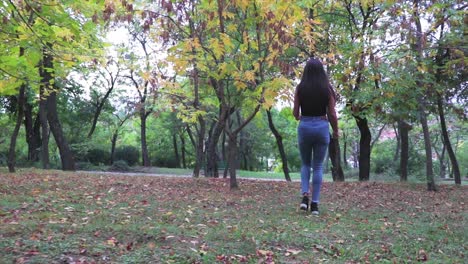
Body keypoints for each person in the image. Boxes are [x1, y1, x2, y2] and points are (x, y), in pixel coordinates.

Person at [293, 58, 339, 215]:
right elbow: (332, 113)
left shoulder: (300, 88)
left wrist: (303, 118)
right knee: (318, 166)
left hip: (305, 127)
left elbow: (295, 113)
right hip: (321, 128)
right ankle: (315, 205)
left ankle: (305, 196)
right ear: (322, 71)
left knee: (305, 164)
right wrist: (336, 130)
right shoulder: (327, 89)